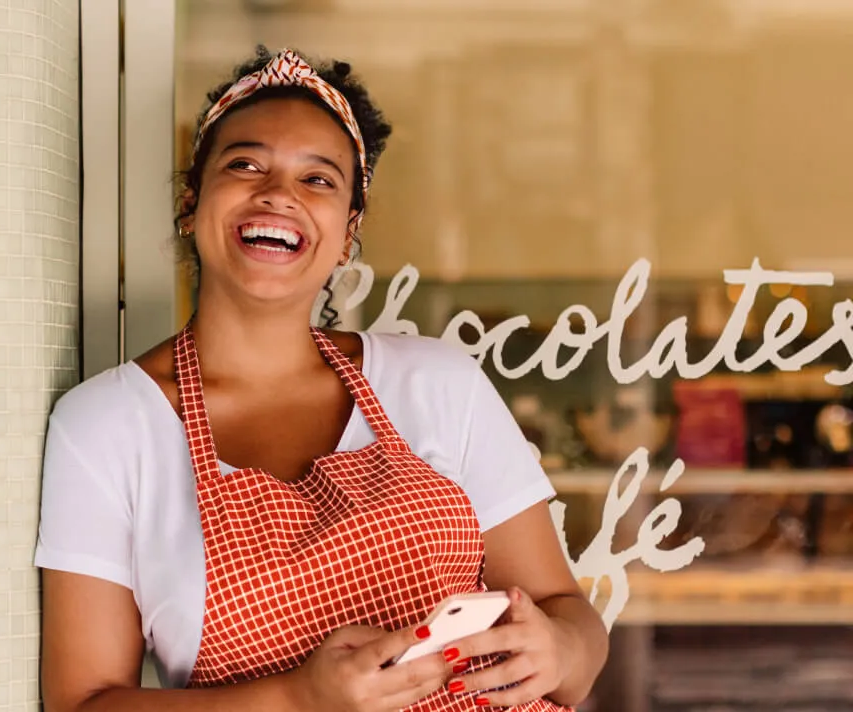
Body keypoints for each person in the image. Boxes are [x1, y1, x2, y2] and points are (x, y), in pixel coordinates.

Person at [35, 47, 608, 712]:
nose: (278, 193)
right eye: (245, 164)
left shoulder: (438, 382)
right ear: (192, 203)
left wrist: (559, 649)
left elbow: (570, 623)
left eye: (319, 180)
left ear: (346, 234)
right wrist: (297, 699)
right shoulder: (106, 426)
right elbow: (85, 704)